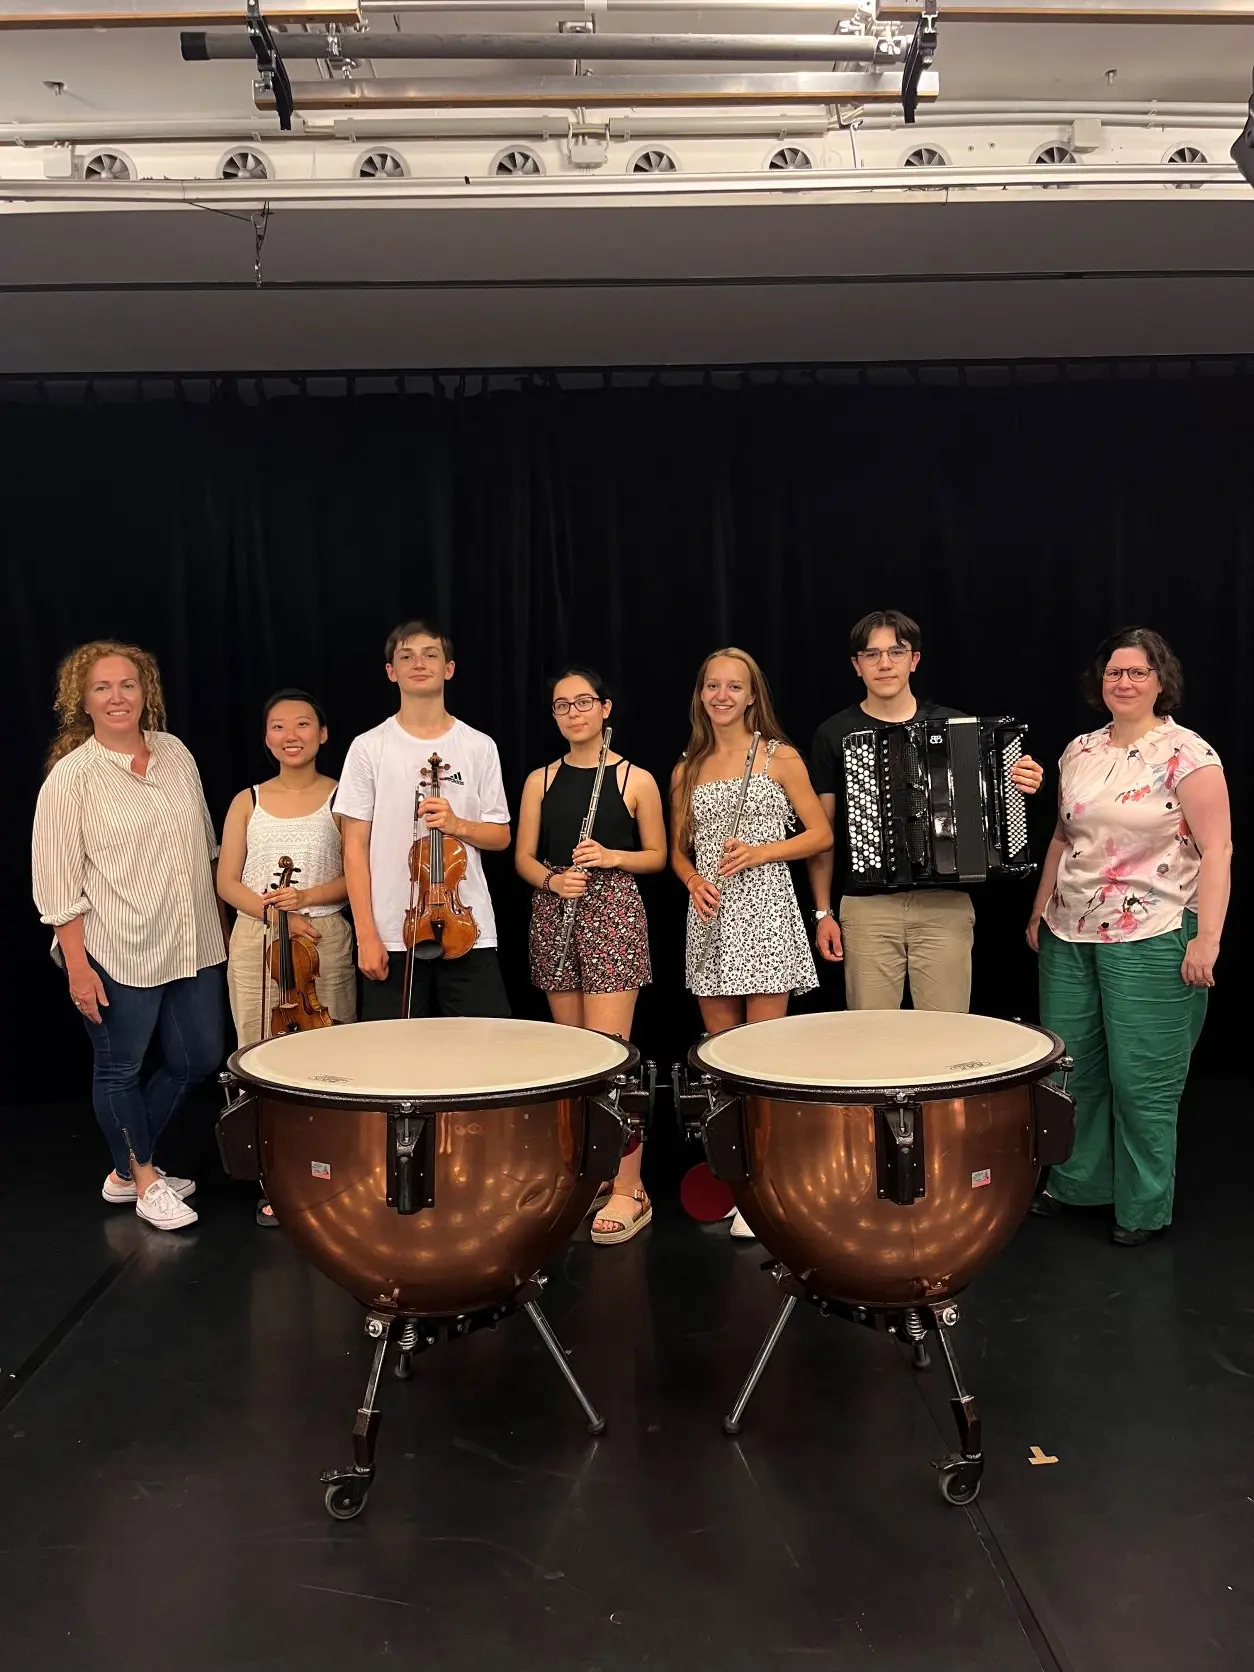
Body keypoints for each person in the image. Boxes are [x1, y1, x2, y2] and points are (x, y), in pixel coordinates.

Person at [1027, 628, 1230, 1246]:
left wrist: (1208, 939)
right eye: (1115, 671)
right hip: (1070, 931)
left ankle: (1142, 1205)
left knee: (1143, 1080)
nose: (1125, 682)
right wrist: (1038, 910)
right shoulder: (1080, 750)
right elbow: (1062, 837)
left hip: (1154, 931)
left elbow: (1218, 849)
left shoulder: (1188, 754)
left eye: (1138, 672)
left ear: (1161, 681)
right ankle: (1079, 1184)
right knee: (1075, 1069)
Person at [31, 640, 225, 1232]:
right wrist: (78, 967)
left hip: (193, 941)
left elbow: (206, 846)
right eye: (102, 687)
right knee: (119, 1069)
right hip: (118, 949)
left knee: (199, 1059)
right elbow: (56, 884)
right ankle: (144, 1180)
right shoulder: (71, 779)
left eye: (127, 684)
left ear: (146, 693)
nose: (117, 697)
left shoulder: (176, 753)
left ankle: (124, 1169)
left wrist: (219, 924)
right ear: (83, 701)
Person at [671, 648, 832, 1238]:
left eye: (733, 687)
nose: (722, 696)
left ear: (751, 696)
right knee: (720, 1059)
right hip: (711, 915)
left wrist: (763, 851)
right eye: (712, 686)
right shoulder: (686, 767)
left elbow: (820, 833)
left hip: (765, 909)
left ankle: (767, 1188)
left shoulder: (778, 756)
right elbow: (677, 850)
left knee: (762, 1059)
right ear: (701, 694)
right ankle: (735, 1180)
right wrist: (692, 881)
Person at [808, 609, 1045, 1011]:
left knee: (946, 1033)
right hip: (867, 906)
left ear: (914, 660)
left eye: (896, 652)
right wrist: (822, 912)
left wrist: (1022, 779)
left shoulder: (957, 726)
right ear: (857, 665)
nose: (884, 663)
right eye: (871, 654)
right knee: (870, 1033)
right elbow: (823, 834)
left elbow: (995, 804)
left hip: (945, 905)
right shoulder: (833, 733)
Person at [515, 666, 667, 1245]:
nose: (573, 713)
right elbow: (524, 858)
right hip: (556, 910)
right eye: (562, 705)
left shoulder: (635, 778)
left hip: (612, 913)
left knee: (612, 1058)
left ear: (605, 708)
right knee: (574, 1061)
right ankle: (591, 1177)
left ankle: (630, 1186)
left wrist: (611, 857)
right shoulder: (540, 779)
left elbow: (657, 856)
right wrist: (552, 882)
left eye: (583, 702)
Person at [217, 688, 356, 1225]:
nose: (290, 735)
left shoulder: (343, 796)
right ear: (266, 738)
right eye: (278, 726)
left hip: (324, 936)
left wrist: (306, 899)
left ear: (322, 734)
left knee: (331, 1057)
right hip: (257, 937)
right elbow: (227, 881)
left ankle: (330, 1167)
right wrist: (277, 915)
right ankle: (274, 1174)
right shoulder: (246, 800)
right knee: (258, 1052)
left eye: (302, 724)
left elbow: (356, 875)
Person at [335, 620, 512, 1018]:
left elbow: (500, 836)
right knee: (393, 1051)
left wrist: (457, 825)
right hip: (393, 930)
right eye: (406, 656)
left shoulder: (479, 746)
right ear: (391, 671)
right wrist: (366, 935)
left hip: (468, 928)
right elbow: (354, 848)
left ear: (448, 668)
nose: (419, 663)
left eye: (430, 655)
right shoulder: (368, 747)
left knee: (486, 1046)